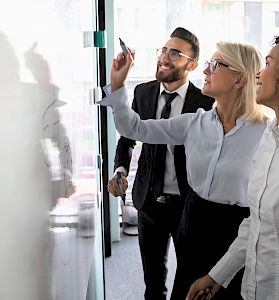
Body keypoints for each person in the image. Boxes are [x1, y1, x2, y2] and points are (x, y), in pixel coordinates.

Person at [101, 40, 271, 299]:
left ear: (240, 79)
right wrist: (117, 85)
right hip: (193, 220)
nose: (205, 72)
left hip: (238, 230)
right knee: (186, 290)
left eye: (215, 65)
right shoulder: (195, 123)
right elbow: (135, 129)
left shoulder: (266, 133)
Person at [185, 30, 279, 300]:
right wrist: (216, 276)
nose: (259, 74)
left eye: (269, 64)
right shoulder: (272, 135)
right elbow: (256, 223)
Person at [106, 27, 214, 300]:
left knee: (188, 281)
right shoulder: (143, 92)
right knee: (153, 284)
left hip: (188, 205)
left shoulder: (205, 103)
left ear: (192, 65)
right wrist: (120, 170)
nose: (164, 58)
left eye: (175, 53)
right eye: (163, 50)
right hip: (149, 202)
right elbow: (128, 138)